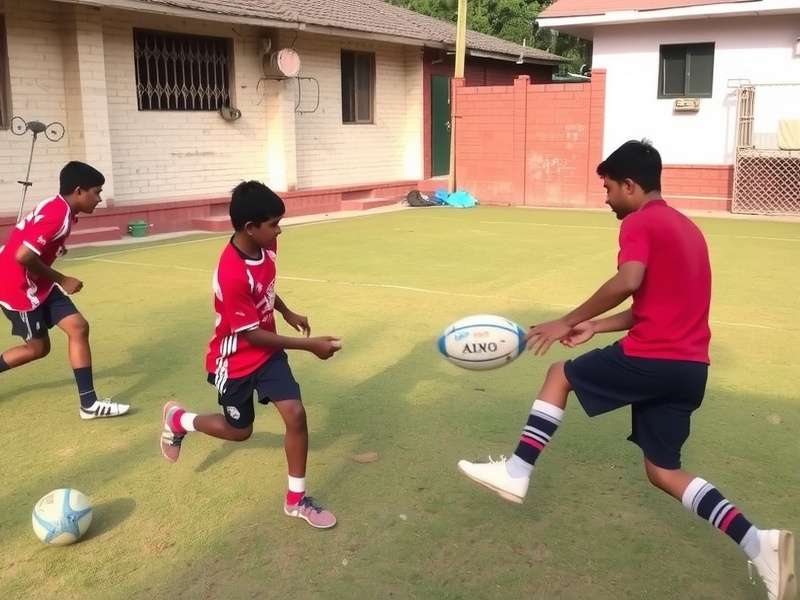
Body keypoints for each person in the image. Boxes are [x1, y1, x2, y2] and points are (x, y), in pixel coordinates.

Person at [457, 140, 796, 600]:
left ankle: (516, 471)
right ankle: (761, 544)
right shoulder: (688, 230)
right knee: (663, 471)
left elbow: (628, 280)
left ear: (631, 186)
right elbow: (652, 303)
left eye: (609, 188)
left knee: (560, 373)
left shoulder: (640, 222)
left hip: (654, 358)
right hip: (690, 370)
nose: (607, 198)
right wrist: (595, 326)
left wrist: (567, 320)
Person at [160, 181, 342, 529]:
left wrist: (286, 311)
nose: (279, 230)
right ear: (249, 228)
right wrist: (311, 345)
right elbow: (253, 335)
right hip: (237, 359)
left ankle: (296, 500)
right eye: (273, 224)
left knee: (296, 414)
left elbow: (266, 286)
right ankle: (180, 420)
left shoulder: (266, 244)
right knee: (239, 430)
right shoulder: (230, 273)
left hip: (268, 354)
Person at [0, 161, 130, 420]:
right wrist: (62, 278)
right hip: (18, 288)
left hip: (38, 283)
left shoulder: (59, 207)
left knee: (78, 327)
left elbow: (34, 241)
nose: (100, 198)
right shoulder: (58, 215)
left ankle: (89, 405)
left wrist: (53, 249)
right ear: (79, 191)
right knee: (38, 349)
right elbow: (23, 255)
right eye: (97, 191)